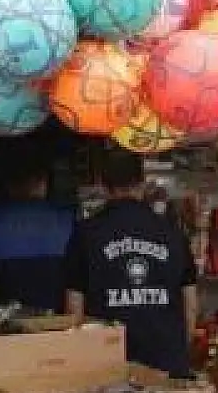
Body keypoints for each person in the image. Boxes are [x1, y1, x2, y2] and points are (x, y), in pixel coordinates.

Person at [64, 148, 198, 377]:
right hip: (165, 362)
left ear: (103, 185)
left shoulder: (86, 233)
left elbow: (73, 306)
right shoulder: (172, 231)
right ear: (143, 183)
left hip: (106, 364)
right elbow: (190, 304)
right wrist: (180, 352)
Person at [0, 168, 75, 312]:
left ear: (9, 186)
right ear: (43, 183)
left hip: (10, 318)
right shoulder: (66, 219)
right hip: (56, 314)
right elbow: (76, 282)